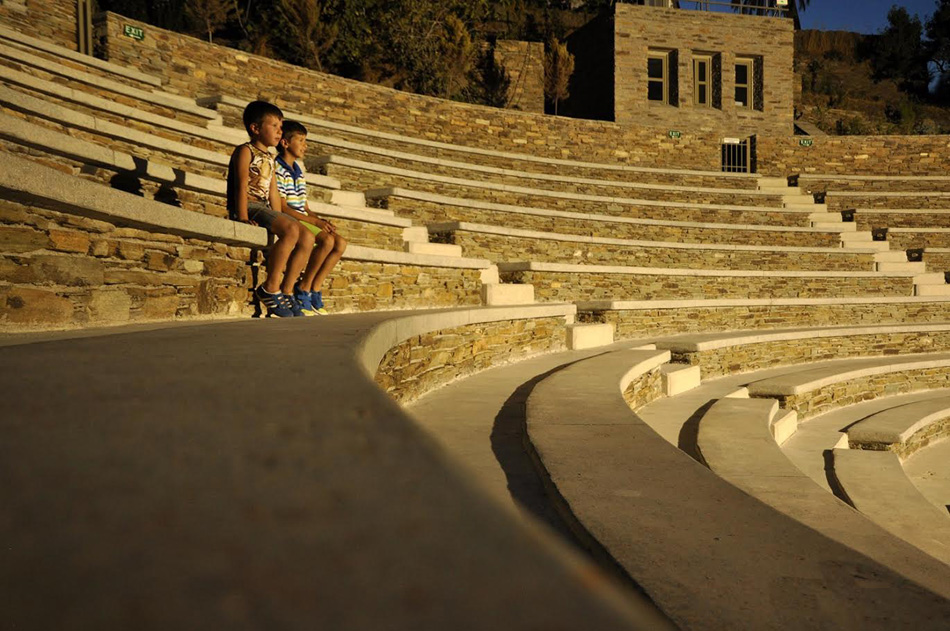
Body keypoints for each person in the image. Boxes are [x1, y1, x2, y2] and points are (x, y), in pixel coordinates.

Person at [227, 101, 316, 317]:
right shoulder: (245, 151)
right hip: (250, 205)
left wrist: (283, 218)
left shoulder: (270, 158)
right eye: (275, 126)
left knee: (306, 236)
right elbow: (240, 184)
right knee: (293, 230)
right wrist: (242, 217)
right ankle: (270, 288)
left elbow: (274, 193)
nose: (280, 131)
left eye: (281, 126)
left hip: (265, 207)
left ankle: (287, 291)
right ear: (255, 128)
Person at [275, 120, 348, 315]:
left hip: (302, 217)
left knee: (340, 243)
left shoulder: (299, 172)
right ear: (285, 143)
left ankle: (315, 287)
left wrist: (321, 220)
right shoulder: (278, 168)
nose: (305, 146)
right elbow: (283, 207)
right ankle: (303, 287)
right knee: (326, 240)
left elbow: (305, 207)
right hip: (290, 219)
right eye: (301, 140)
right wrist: (314, 222)